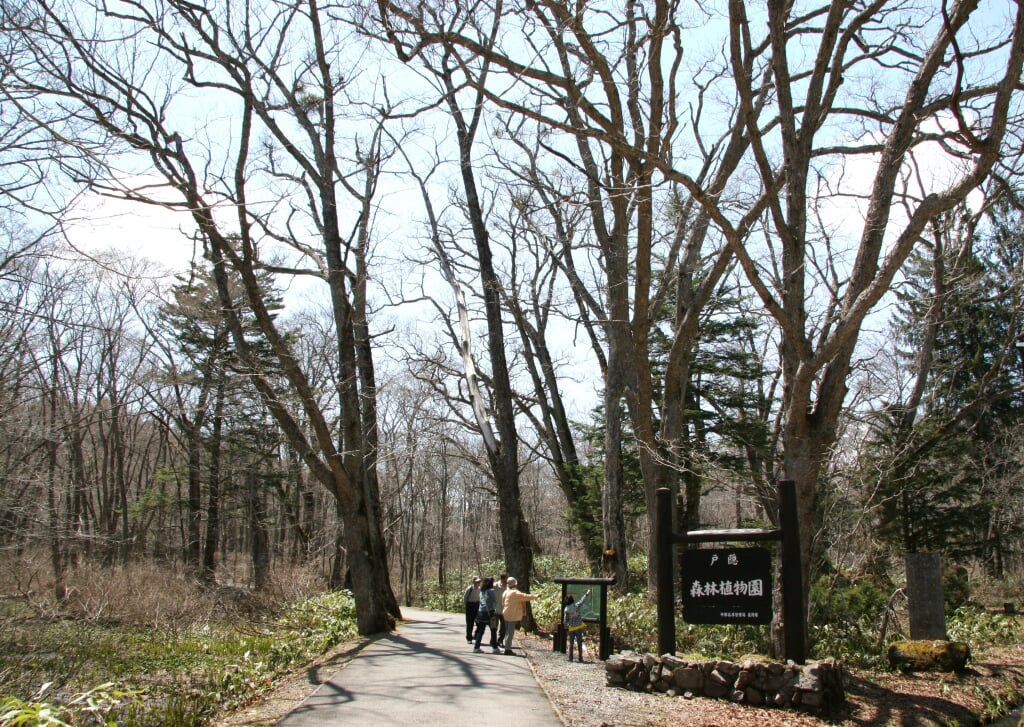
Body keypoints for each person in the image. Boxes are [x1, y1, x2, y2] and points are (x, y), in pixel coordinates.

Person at [500, 576, 540, 655]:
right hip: (512, 615)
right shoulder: (515, 593)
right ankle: (507, 649)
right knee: (510, 632)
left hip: (505, 613)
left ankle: (507, 647)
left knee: (507, 631)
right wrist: (536, 596)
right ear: (515, 584)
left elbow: (503, 603)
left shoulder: (505, 592)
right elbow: (525, 597)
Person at [563, 588, 592, 662]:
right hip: (578, 627)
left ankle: (570, 658)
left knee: (571, 644)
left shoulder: (566, 609)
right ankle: (580, 658)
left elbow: (565, 620)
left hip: (571, 628)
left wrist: (565, 627)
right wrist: (587, 594)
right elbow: (582, 601)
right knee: (579, 643)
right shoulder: (575, 606)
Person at [472, 577, 499, 652]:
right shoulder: (491, 591)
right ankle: (495, 647)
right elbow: (496, 599)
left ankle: (476, 647)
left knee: (480, 631)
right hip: (490, 612)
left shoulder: (481, 591)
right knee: (493, 630)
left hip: (481, 612)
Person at [493, 572, 509, 646]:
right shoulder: (495, 585)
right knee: (494, 626)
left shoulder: (508, 587)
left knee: (503, 627)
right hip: (495, 609)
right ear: (502, 579)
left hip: (504, 610)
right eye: (506, 579)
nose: (507, 580)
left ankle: (500, 640)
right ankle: (493, 640)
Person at [463, 576, 481, 643]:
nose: (478, 583)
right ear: (473, 582)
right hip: (470, 606)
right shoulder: (469, 588)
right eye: (477, 582)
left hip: (477, 605)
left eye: (479, 582)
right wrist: (466, 606)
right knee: (470, 623)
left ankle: (476, 635)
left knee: (479, 623)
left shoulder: (479, 589)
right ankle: (469, 638)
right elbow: (465, 598)